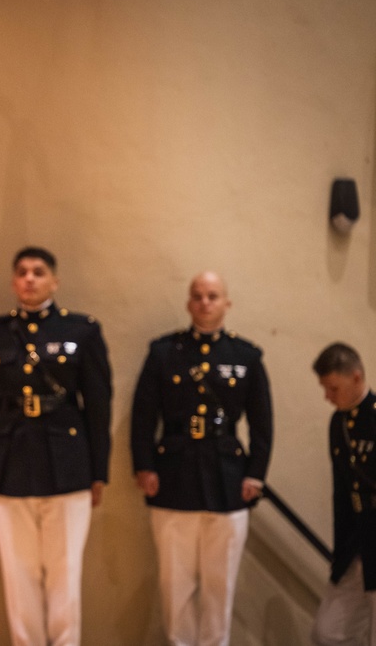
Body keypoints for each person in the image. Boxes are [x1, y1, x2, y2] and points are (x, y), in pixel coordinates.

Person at [0, 246, 112, 646]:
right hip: (8, 465)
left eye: (39, 271)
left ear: (54, 281)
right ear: (14, 281)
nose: (30, 278)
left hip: (69, 466)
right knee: (19, 577)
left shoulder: (82, 331)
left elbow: (98, 406)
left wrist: (99, 472)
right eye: (22, 272)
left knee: (65, 576)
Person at [130, 271, 273, 646]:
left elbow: (262, 424)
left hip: (228, 480)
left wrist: (255, 475)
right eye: (197, 296)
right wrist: (144, 465)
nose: (205, 303)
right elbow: (144, 415)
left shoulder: (246, 356)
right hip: (173, 476)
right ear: (188, 303)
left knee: (219, 588)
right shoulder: (164, 352)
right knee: (175, 587)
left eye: (213, 296)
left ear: (227, 303)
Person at [310, 343, 376, 645]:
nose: (328, 397)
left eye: (333, 388)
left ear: (356, 378)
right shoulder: (338, 423)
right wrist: (340, 551)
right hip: (355, 542)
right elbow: (341, 492)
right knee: (328, 630)